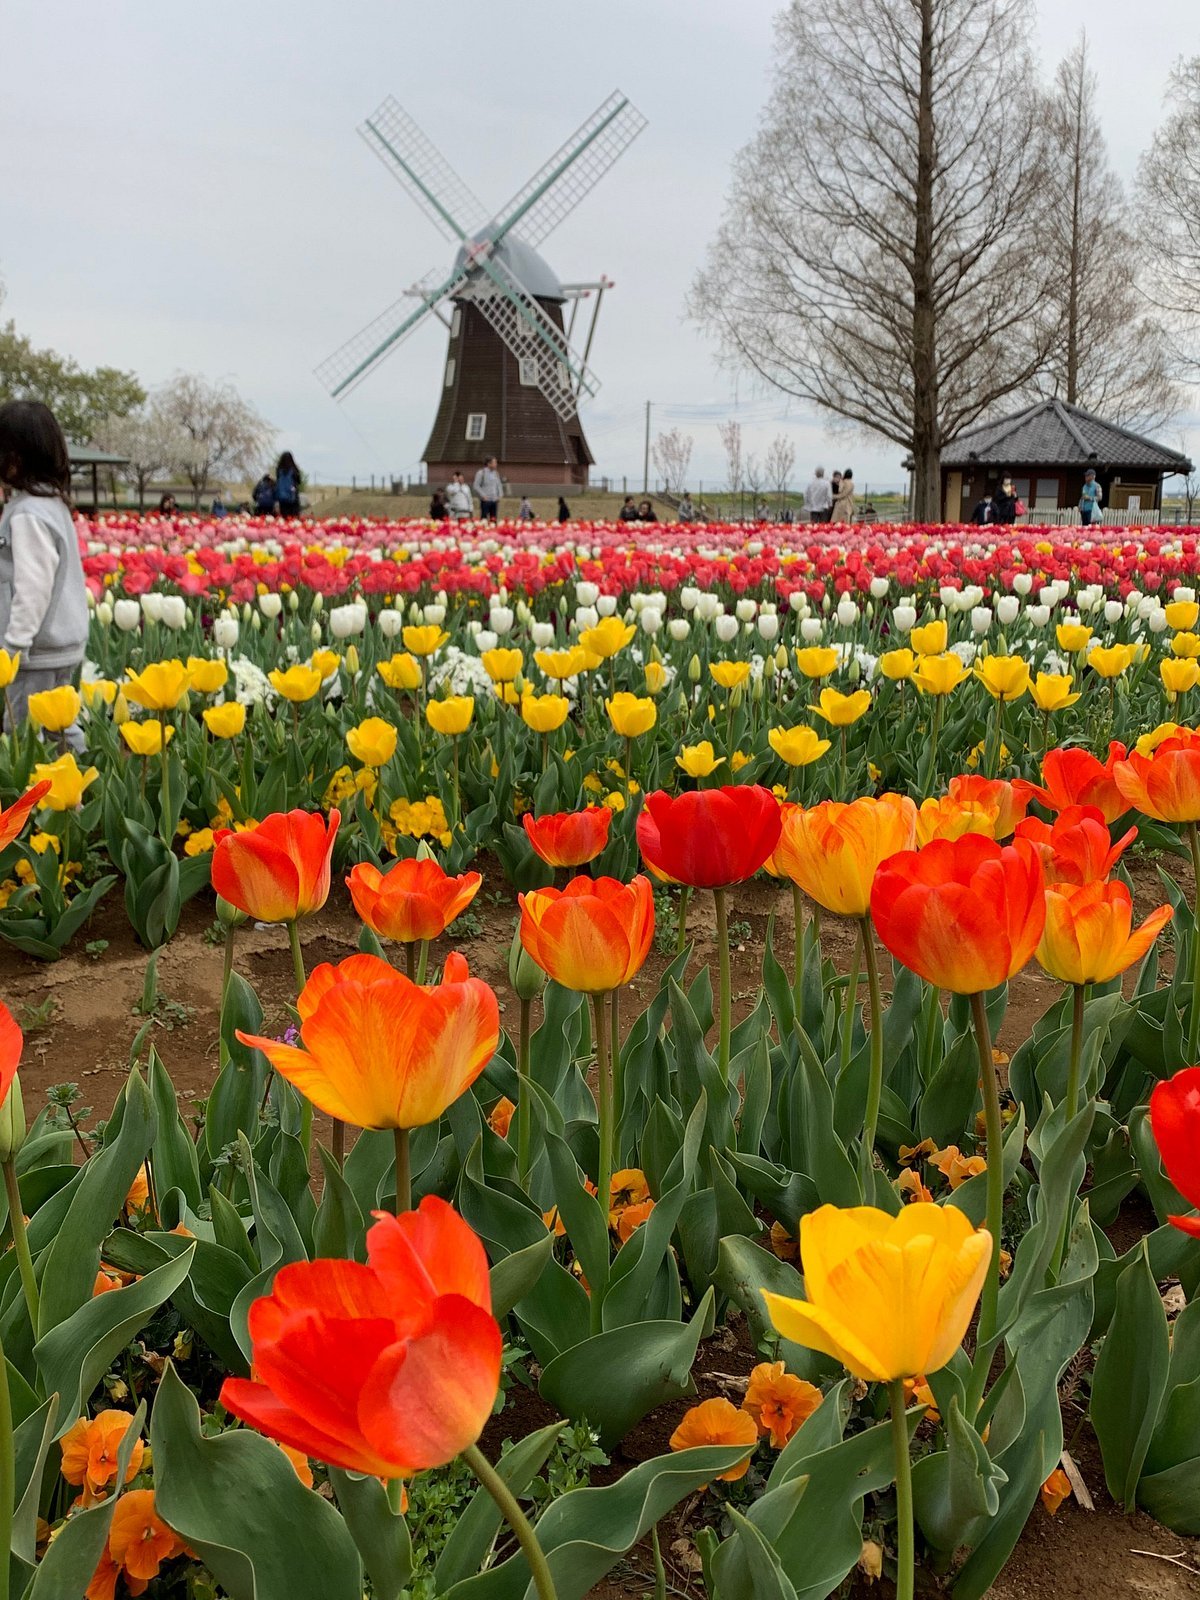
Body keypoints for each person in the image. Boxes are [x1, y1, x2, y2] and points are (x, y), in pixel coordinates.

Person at [0, 401, 89, 751]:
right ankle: (81, 786)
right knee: (60, 725)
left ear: (15, 459)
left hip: (33, 650)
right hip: (60, 643)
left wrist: (12, 648)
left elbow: (33, 587)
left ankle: (35, 801)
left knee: (23, 731)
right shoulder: (52, 504)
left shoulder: (27, 514)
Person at [473, 456, 503, 521]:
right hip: (486, 500)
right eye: (494, 462)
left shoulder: (496, 473)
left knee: (493, 519)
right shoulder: (481, 473)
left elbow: (499, 485)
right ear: (489, 464)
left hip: (494, 500)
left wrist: (500, 495)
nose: (496, 464)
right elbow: (476, 485)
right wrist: (483, 495)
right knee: (484, 519)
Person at [275, 452, 302, 518]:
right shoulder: (294, 470)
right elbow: (299, 481)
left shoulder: (279, 470)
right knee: (294, 517)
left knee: (284, 517)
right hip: (293, 497)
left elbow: (278, 482)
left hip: (282, 497)